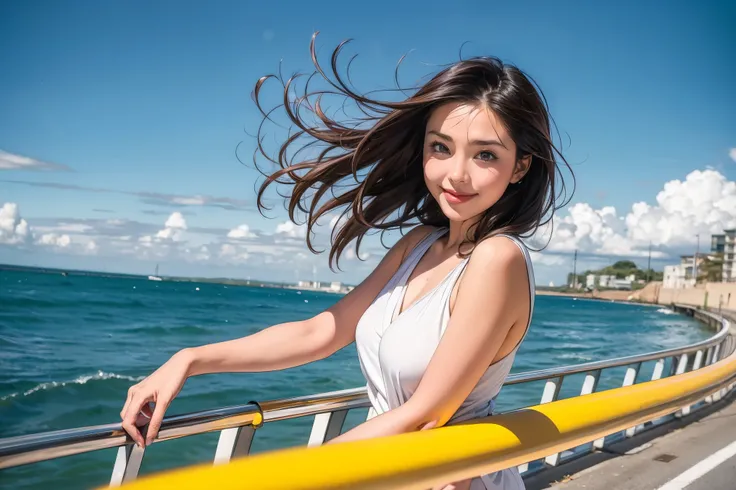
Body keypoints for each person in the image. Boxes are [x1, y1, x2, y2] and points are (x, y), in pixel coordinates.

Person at [120, 34, 573, 489]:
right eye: (441, 147)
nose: (456, 173)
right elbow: (323, 331)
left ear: (520, 167)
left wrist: (287, 477)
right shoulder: (418, 243)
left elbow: (424, 414)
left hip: (440, 476)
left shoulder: (497, 258)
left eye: (485, 155)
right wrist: (190, 358)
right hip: (386, 467)